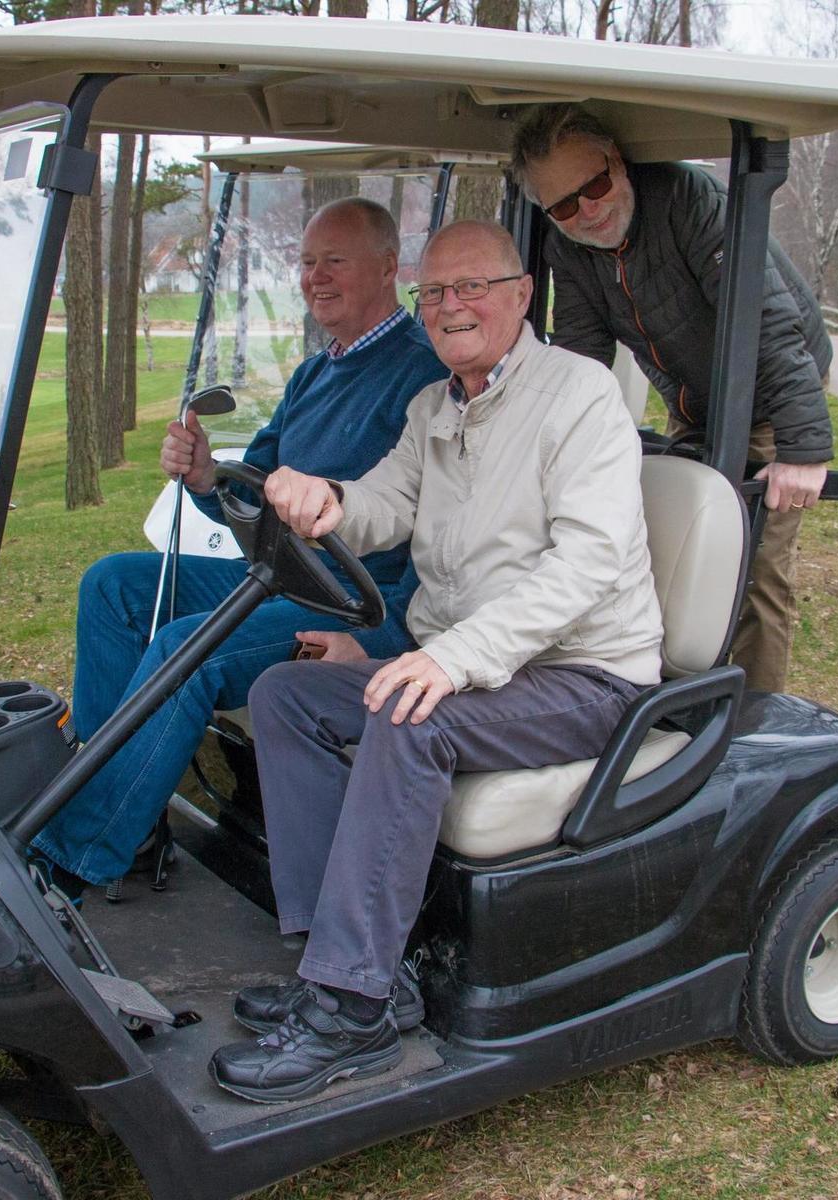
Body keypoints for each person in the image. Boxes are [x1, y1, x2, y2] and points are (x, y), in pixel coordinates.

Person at [206, 221, 663, 1103]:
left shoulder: (579, 396)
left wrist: (451, 659)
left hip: (582, 673)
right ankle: (333, 967)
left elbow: (588, 564)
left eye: (473, 287)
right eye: (435, 294)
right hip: (476, 661)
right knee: (286, 694)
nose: (452, 307)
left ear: (521, 294)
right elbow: (383, 504)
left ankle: (354, 1013)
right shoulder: (437, 406)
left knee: (406, 714)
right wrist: (324, 499)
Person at [30, 198, 448, 898]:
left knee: (185, 649)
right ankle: (122, 822)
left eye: (335, 261)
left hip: (351, 606)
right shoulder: (318, 372)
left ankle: (72, 860)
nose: (316, 278)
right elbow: (250, 487)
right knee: (113, 587)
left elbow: (432, 542)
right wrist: (201, 475)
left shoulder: (422, 375)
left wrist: (387, 638)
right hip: (274, 578)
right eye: (308, 262)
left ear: (387, 267)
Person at [508, 103, 833, 695]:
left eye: (596, 186)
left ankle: (750, 726)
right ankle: (668, 700)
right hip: (693, 398)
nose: (587, 211)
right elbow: (582, 356)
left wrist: (803, 446)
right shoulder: (569, 248)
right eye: (562, 206)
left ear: (618, 161)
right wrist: (544, 445)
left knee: (753, 566)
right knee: (666, 549)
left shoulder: (688, 198)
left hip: (768, 386)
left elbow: (767, 323)